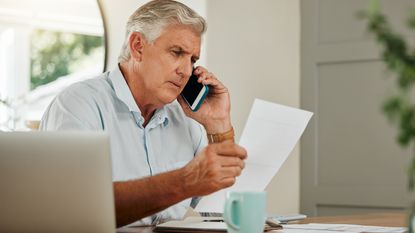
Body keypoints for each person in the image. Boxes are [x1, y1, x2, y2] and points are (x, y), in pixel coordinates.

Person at [40, 0, 247, 227]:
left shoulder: (185, 120)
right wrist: (185, 181)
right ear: (138, 46)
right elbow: (75, 208)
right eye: (176, 52)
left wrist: (217, 124)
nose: (187, 71)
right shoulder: (78, 105)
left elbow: (227, 210)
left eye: (193, 59)